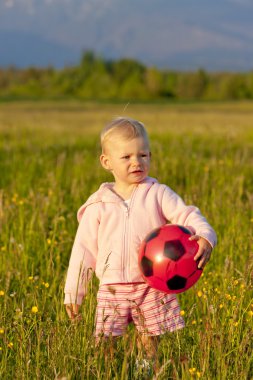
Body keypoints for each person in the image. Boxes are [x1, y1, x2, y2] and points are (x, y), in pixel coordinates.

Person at [64, 116, 217, 374]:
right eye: (126, 157)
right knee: (105, 342)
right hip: (112, 287)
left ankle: (144, 374)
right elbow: (83, 251)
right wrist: (74, 293)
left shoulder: (157, 193)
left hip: (152, 285)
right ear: (106, 162)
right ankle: (108, 372)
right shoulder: (98, 204)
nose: (137, 162)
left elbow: (187, 214)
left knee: (149, 343)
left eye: (143, 155)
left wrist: (204, 235)